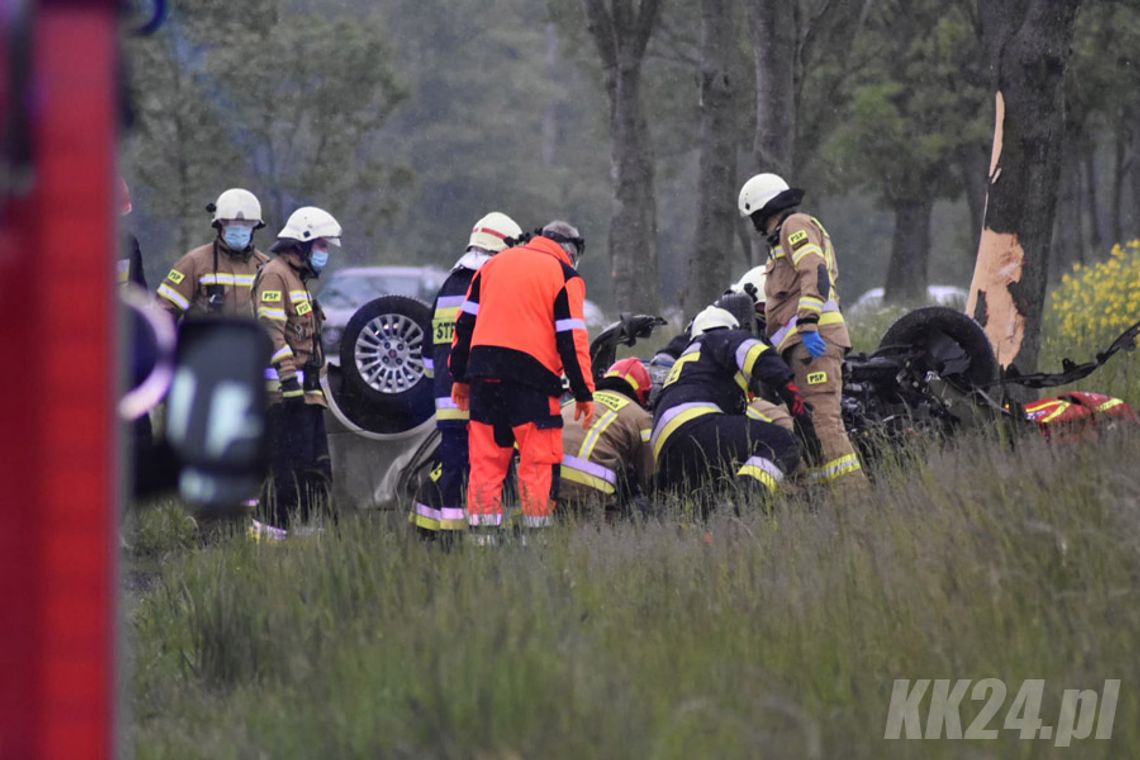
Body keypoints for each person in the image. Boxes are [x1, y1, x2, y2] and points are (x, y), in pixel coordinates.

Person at [449, 220, 595, 541]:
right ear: (570, 252)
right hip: (533, 380)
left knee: (486, 461)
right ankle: (535, 542)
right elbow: (572, 339)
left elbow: (465, 325)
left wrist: (460, 377)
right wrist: (584, 392)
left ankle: (482, 541)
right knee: (539, 461)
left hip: (484, 376)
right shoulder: (565, 275)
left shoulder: (493, 265)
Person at [738, 172, 865, 485]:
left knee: (823, 423)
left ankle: (854, 500)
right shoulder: (785, 237)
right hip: (801, 348)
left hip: (813, 342)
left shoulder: (794, 226)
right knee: (810, 427)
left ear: (762, 211)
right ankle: (827, 499)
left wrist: (808, 323)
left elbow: (815, 270)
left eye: (754, 217)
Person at [409, 211, 524, 536]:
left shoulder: (448, 285)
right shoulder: (488, 284)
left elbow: (428, 354)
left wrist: (443, 388)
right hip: (480, 402)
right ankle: (478, 537)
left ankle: (445, 538)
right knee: (485, 474)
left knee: (452, 470)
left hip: (447, 404)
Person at [652, 305, 811, 499]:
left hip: (665, 445)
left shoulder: (686, 363)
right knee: (783, 442)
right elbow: (760, 356)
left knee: (707, 497)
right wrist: (794, 397)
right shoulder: (719, 337)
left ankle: (717, 523)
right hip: (696, 423)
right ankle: (746, 502)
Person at [251, 206, 341, 534]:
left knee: (313, 468)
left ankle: (302, 533)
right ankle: (270, 535)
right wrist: (288, 376)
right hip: (284, 393)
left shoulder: (296, 279)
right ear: (301, 243)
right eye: (321, 245)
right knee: (286, 471)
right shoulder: (276, 274)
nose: (324, 253)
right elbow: (271, 329)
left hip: (304, 392)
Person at [559, 357, 654, 517]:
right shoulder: (640, 417)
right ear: (643, 393)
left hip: (544, 479)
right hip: (588, 486)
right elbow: (650, 477)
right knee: (616, 532)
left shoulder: (576, 402)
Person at [156, 188, 268, 321]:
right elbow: (163, 312)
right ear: (219, 225)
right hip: (204, 341)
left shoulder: (266, 267)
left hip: (252, 342)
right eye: (231, 223)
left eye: (246, 224)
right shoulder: (194, 263)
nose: (239, 229)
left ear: (255, 227)